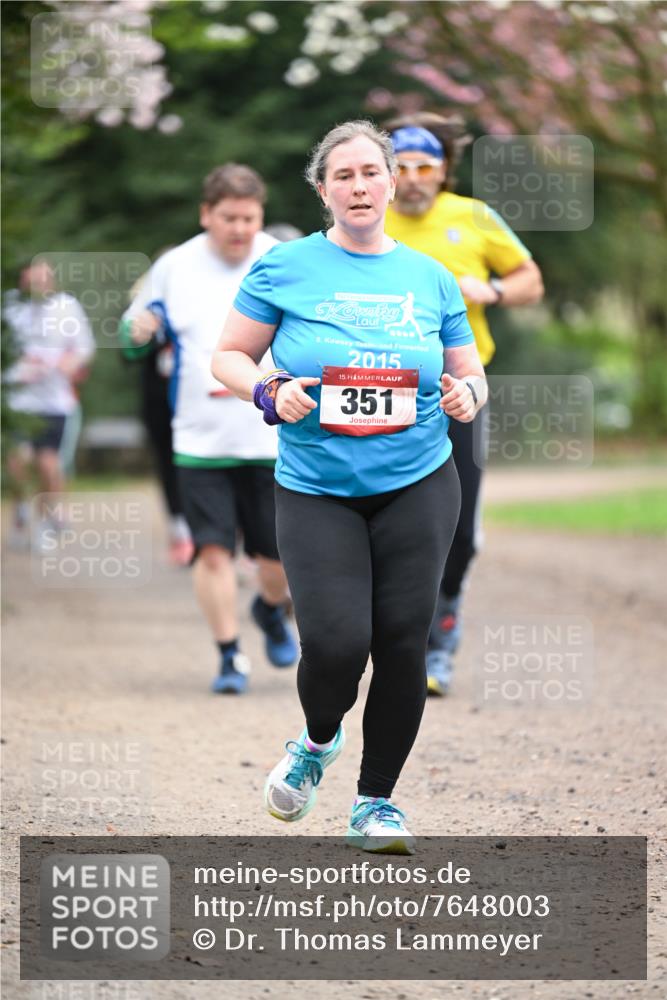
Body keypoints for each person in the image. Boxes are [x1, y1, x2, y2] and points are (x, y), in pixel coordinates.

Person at [211, 120, 487, 853]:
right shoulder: (284, 268)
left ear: (393, 182)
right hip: (316, 484)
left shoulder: (428, 276)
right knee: (336, 643)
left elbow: (467, 369)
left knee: (402, 640)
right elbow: (229, 358)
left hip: (419, 479)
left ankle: (375, 804)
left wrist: (468, 395)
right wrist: (268, 391)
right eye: (344, 176)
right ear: (323, 190)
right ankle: (317, 740)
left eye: (371, 172)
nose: (359, 186)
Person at [119, 164, 298, 694]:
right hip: (199, 438)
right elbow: (132, 341)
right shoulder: (173, 267)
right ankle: (228, 655)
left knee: (278, 558)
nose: (240, 228)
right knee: (212, 550)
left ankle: (270, 609)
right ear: (206, 215)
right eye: (228, 218)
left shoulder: (283, 260)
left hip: (271, 436)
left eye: (249, 217)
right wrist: (139, 332)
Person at [384, 113, 544, 696]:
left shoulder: (473, 218)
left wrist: (493, 290)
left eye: (425, 167)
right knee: (383, 518)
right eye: (401, 167)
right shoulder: (365, 220)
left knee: (459, 530)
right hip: (381, 393)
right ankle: (385, 635)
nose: (414, 178)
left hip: (460, 394)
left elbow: (530, 279)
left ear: (444, 169)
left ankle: (440, 636)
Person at [4, 259, 96, 549]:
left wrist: (66, 365)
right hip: (17, 400)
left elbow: (84, 348)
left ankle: (46, 521)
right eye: (34, 280)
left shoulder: (67, 307)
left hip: (54, 402)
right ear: (23, 279)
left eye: (45, 279)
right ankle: (20, 509)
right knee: (17, 460)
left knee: (47, 464)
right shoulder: (9, 307)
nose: (40, 285)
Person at [123, 252, 193, 567]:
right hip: (159, 401)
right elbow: (127, 354)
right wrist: (143, 335)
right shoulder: (145, 304)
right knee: (168, 463)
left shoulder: (203, 299)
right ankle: (179, 528)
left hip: (198, 401)